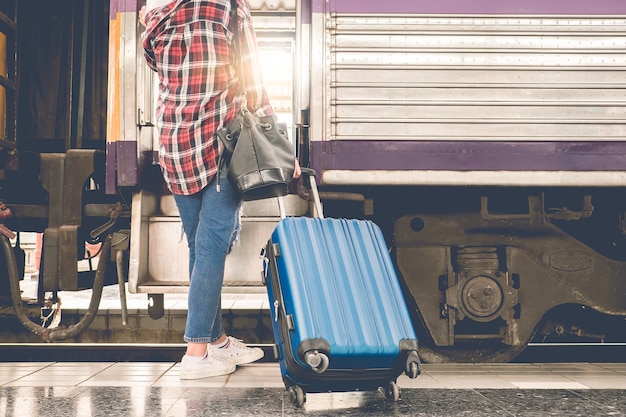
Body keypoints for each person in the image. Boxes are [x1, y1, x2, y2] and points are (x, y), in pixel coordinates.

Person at [140, 0, 300, 379]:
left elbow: (159, 71)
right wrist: (278, 141)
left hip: (174, 144)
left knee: (200, 245)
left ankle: (217, 342)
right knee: (212, 245)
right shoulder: (228, 9)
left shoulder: (157, 18)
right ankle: (196, 351)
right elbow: (252, 79)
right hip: (218, 142)